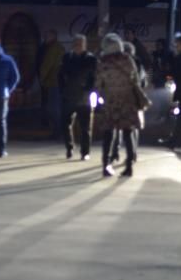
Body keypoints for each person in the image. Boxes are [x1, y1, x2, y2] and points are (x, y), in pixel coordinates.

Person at [95, 34, 146, 177]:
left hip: (110, 102)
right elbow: (135, 79)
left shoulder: (103, 62)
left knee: (108, 133)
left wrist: (98, 99)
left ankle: (106, 164)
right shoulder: (127, 59)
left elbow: (98, 84)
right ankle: (129, 165)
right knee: (128, 132)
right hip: (127, 101)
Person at [58, 34, 96, 161]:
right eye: (76, 43)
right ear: (73, 45)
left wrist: (89, 89)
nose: (79, 46)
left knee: (85, 126)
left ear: (85, 45)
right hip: (69, 95)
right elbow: (60, 74)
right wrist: (62, 89)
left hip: (84, 97)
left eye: (81, 44)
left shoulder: (91, 59)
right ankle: (69, 147)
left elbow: (95, 77)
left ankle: (85, 152)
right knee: (65, 123)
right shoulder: (67, 58)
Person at [37, 29, 65, 138]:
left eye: (47, 36)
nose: (45, 38)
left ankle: (57, 131)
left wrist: (42, 78)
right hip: (57, 81)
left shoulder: (52, 49)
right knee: (54, 106)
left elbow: (47, 65)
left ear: (53, 36)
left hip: (53, 81)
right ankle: (58, 130)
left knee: (52, 107)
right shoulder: (59, 48)